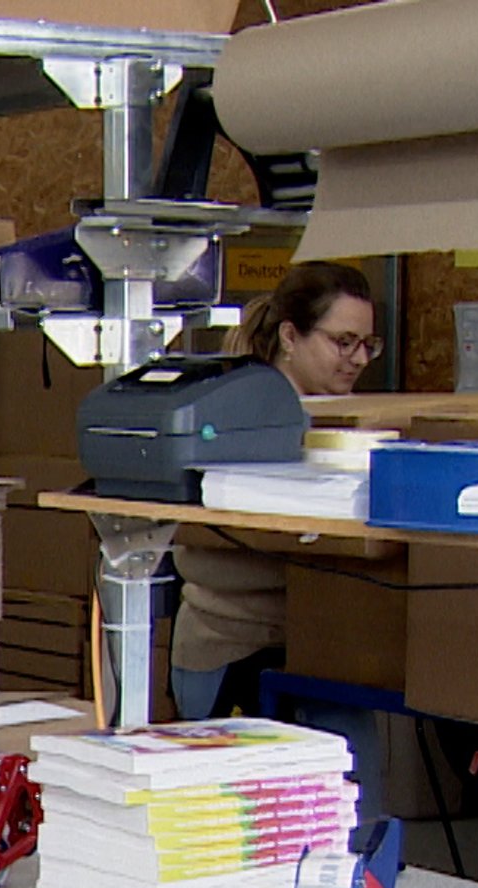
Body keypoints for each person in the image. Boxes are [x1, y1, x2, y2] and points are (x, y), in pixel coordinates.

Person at [169, 261, 388, 818]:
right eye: (343, 342)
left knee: (346, 812)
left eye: (368, 344)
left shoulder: (343, 424)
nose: (359, 359)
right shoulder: (236, 416)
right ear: (290, 336)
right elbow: (202, 537)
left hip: (319, 648)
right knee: (237, 829)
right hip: (234, 647)